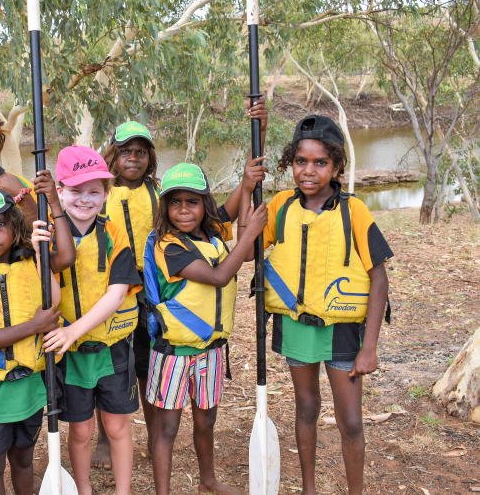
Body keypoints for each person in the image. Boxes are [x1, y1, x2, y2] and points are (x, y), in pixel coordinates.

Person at [260, 115, 392, 495]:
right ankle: (308, 488)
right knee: (306, 408)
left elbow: (378, 277)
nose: (309, 170)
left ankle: (355, 491)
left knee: (350, 421)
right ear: (291, 162)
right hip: (297, 325)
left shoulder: (354, 211)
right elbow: (249, 243)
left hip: (344, 331)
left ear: (336, 166)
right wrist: (252, 173)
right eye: (301, 161)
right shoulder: (281, 206)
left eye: (320, 163)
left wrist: (370, 348)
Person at [143, 163, 267, 495]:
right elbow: (218, 276)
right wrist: (250, 233)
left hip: (210, 351)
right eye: (176, 202)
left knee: (206, 421)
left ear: (204, 204)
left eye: (192, 202)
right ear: (165, 208)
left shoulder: (211, 231)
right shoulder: (169, 246)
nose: (184, 210)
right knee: (167, 429)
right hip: (173, 355)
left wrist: (246, 182)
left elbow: (233, 205)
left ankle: (207, 480)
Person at [0, 184, 74, 495]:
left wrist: (52, 206)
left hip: (31, 384)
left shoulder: (34, 263)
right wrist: (33, 326)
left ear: (15, 225)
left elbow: (66, 258)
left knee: (23, 457)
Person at [42, 145, 143, 495]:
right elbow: (48, 297)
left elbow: (117, 294)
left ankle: (123, 490)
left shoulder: (114, 234)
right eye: (75, 190)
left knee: (116, 427)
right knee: (81, 430)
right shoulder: (46, 237)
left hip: (111, 347)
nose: (85, 199)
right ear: (59, 192)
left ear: (105, 194)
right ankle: (83, 488)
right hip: (70, 354)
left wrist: (73, 330)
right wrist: (41, 256)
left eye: (94, 191)